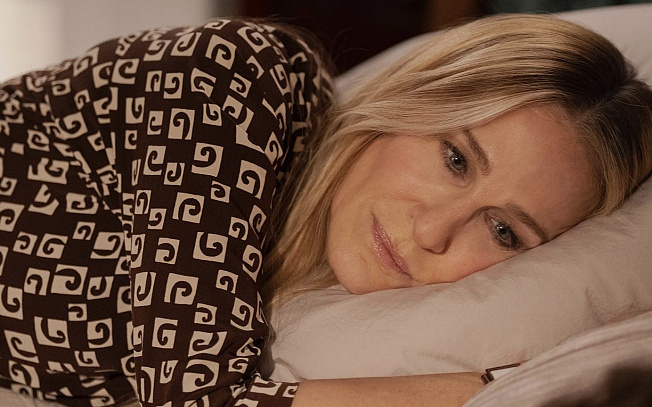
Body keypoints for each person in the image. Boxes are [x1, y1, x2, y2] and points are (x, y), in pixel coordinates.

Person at [0, 13, 650, 407]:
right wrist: (491, 388)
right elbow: (191, 399)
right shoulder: (237, 80)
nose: (433, 231)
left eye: (503, 229)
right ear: (415, 99)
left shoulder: (280, 277)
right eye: (455, 158)